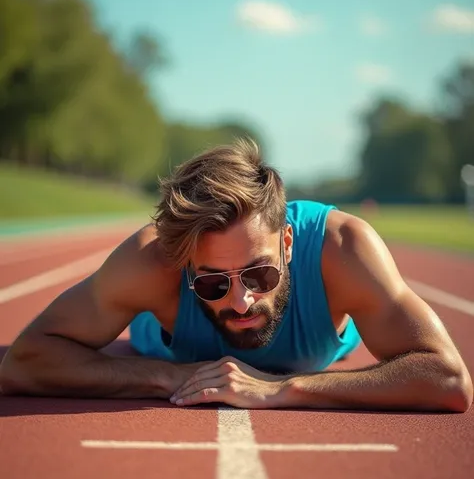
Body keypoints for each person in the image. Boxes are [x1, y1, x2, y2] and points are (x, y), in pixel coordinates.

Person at [0, 139, 472, 412]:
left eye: (260, 274)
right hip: (157, 344)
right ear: (183, 262)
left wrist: (282, 388)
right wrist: (170, 377)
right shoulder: (152, 260)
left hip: (324, 341)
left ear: (287, 243)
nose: (241, 301)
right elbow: (24, 361)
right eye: (212, 284)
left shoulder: (343, 248)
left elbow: (448, 378)